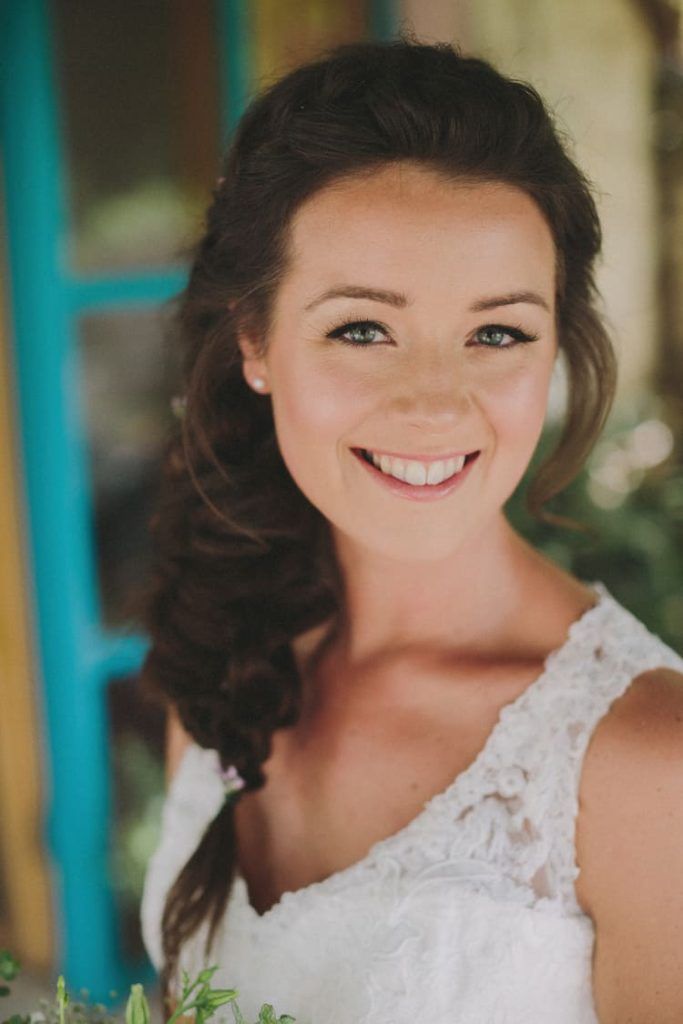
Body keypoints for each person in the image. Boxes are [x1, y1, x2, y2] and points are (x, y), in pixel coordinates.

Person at [137, 35, 683, 1024]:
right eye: (362, 328)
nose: (434, 404)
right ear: (254, 338)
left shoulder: (649, 770)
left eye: (496, 332)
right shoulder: (218, 656)